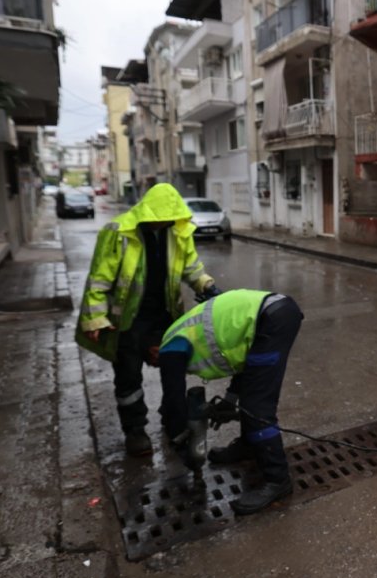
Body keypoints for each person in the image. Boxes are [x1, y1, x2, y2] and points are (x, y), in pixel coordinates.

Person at [75, 183, 220, 457]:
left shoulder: (177, 231)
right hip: (127, 322)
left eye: (167, 219)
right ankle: (135, 430)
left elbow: (190, 267)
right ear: (147, 213)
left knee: (173, 369)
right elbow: (99, 279)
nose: (162, 223)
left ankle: (172, 420)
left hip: (164, 316)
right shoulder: (118, 233)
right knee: (129, 377)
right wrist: (95, 318)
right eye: (158, 219)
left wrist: (205, 285)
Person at [149, 288, 304, 515]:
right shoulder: (183, 331)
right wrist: (230, 400)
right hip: (275, 314)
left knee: (256, 406)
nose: (157, 365)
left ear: (153, 350)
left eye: (153, 362)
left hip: (272, 320)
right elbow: (244, 362)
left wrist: (184, 446)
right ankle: (249, 445)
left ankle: (277, 479)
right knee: (252, 394)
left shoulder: (170, 347)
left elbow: (173, 401)